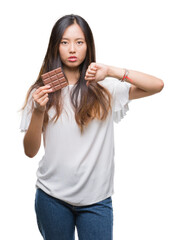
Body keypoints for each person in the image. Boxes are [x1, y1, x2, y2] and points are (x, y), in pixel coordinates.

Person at [20, 14, 164, 240]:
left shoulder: (104, 87)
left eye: (79, 42)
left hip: (97, 201)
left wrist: (112, 71)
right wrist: (38, 111)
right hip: (52, 198)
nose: (72, 49)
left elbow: (157, 85)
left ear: (88, 46)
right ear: (55, 46)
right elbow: (29, 151)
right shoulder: (43, 91)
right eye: (64, 42)